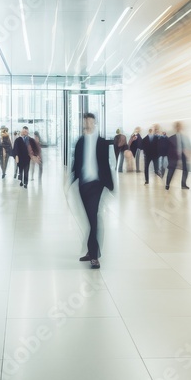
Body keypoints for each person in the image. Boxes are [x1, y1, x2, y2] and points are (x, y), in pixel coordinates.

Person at [71, 113, 116, 269]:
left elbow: (106, 163)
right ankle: (91, 252)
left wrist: (109, 184)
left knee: (93, 219)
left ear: (94, 122)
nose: (88, 123)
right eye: (86, 121)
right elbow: (76, 162)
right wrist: (71, 181)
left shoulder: (102, 142)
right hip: (84, 185)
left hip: (97, 185)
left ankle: (94, 256)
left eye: (90, 121)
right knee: (91, 220)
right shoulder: (80, 142)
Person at [165, 121, 191, 190]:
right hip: (173, 156)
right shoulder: (171, 137)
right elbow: (167, 149)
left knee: (185, 170)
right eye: (179, 126)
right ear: (176, 127)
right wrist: (169, 158)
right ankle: (167, 184)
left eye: (181, 126)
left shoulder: (184, 137)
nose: (180, 127)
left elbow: (187, 146)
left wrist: (188, 154)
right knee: (171, 170)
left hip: (183, 155)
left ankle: (183, 184)